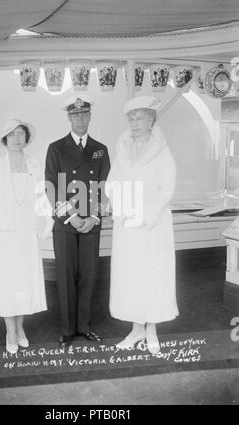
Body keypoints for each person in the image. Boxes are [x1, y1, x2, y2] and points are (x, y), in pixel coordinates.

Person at [106, 96, 179, 354]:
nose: (134, 123)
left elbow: (166, 188)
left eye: (139, 117)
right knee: (132, 275)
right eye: (131, 118)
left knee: (152, 275)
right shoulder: (123, 148)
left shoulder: (161, 149)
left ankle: (151, 331)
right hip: (128, 223)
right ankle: (136, 329)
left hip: (153, 225)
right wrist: (122, 206)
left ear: (151, 120)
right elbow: (112, 182)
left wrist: (147, 214)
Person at [45, 95, 111, 347]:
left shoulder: (99, 148)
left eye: (84, 114)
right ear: (69, 118)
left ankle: (84, 326)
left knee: (88, 275)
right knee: (65, 275)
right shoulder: (56, 147)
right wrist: (72, 217)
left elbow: (105, 186)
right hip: (65, 222)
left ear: (90, 117)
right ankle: (67, 329)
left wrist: (94, 216)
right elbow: (50, 185)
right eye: (76, 115)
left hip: (92, 222)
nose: (80, 119)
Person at [0, 119, 49, 354]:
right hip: (6, 234)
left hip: (27, 233)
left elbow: (42, 198)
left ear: (26, 138)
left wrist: (43, 225)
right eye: (12, 134)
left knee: (24, 283)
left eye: (21, 133)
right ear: (5, 139)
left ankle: (20, 327)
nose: (17, 138)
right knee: (8, 284)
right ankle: (10, 330)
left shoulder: (35, 164)